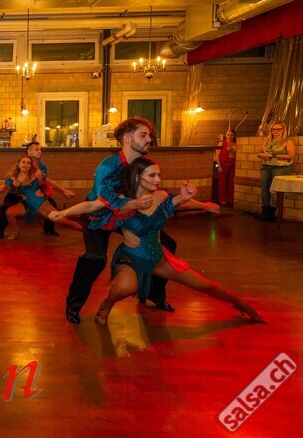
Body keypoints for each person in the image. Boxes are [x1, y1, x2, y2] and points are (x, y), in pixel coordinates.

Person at [51, 157, 266, 325]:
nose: (158, 180)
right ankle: (106, 305)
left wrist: (202, 204)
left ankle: (244, 307)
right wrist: (63, 213)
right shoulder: (122, 200)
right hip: (132, 258)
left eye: (159, 175)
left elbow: (179, 202)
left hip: (158, 257)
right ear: (138, 177)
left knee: (206, 285)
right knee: (125, 288)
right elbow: (91, 205)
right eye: (152, 175)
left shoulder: (160, 196)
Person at [64, 117, 177, 324]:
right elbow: (105, 202)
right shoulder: (108, 166)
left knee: (168, 244)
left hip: (128, 211)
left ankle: (154, 293)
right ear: (127, 138)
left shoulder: (143, 164)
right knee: (96, 258)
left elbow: (154, 190)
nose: (149, 139)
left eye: (149, 135)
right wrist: (134, 204)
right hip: (98, 214)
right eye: (143, 135)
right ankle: (73, 305)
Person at [0, 156, 82, 237]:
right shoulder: (13, 179)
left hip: (41, 204)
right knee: (9, 212)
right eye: (23, 162)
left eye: (28, 163)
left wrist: (64, 190)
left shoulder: (35, 175)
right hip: (27, 204)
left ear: (30, 166)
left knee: (64, 222)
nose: (25, 164)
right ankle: (16, 231)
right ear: (19, 165)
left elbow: (50, 182)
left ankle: (84, 231)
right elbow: (1, 188)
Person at [0, 142, 74, 238]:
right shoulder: (22, 163)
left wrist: (63, 190)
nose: (40, 151)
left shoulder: (42, 166)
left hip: (32, 193)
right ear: (29, 151)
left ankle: (49, 229)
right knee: (5, 207)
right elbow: (8, 183)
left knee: (52, 203)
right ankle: (0, 231)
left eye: (40, 149)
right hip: (15, 193)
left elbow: (46, 181)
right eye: (37, 149)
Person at [255, 121, 297, 222]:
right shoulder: (267, 140)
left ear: (283, 130)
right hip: (266, 166)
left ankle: (272, 211)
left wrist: (273, 155)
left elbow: (291, 156)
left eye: (278, 129)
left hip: (280, 167)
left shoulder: (287, 141)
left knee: (275, 189)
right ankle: (265, 209)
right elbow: (258, 152)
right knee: (265, 188)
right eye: (273, 129)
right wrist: (262, 155)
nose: (275, 131)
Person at [215, 130, 237, 207]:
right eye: (228, 135)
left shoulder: (237, 143)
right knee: (223, 182)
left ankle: (230, 199)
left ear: (234, 135)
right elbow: (217, 155)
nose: (230, 136)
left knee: (231, 181)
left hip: (234, 163)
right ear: (226, 135)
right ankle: (223, 199)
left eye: (232, 135)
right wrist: (219, 166)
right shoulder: (222, 143)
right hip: (224, 163)